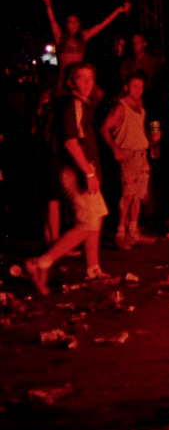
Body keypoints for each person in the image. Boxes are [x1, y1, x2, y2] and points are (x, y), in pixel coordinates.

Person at [25, 63, 112, 293]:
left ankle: (93, 269)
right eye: (81, 78)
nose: (87, 82)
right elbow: (71, 142)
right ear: (71, 82)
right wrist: (88, 171)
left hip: (82, 170)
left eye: (90, 78)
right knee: (87, 223)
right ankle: (41, 263)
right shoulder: (72, 104)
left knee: (96, 217)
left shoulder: (81, 104)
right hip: (77, 171)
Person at [100, 72, 158, 249]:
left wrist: (152, 138)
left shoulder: (140, 106)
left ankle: (133, 232)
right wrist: (116, 149)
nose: (138, 90)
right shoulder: (120, 106)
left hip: (141, 154)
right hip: (128, 154)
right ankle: (120, 234)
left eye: (140, 87)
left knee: (138, 195)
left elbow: (137, 131)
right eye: (134, 86)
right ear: (126, 88)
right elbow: (104, 129)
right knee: (128, 194)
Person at [40, 0, 131, 85]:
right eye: (71, 22)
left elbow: (102, 24)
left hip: (79, 83)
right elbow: (52, 20)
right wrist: (48, 4)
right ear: (66, 24)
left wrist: (118, 10)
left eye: (76, 22)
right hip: (63, 83)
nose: (73, 25)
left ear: (79, 24)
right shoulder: (60, 36)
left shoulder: (83, 37)